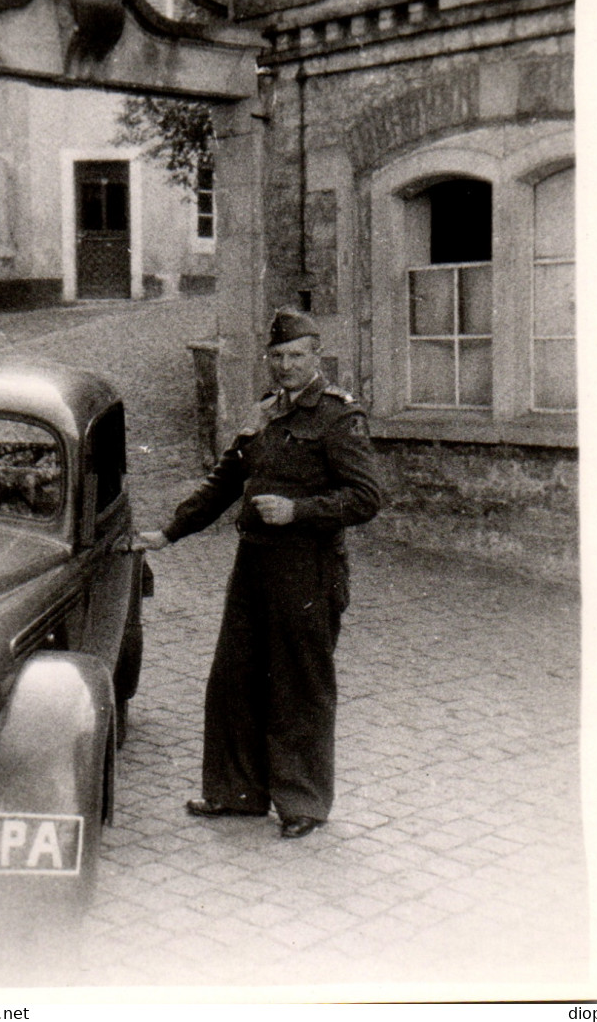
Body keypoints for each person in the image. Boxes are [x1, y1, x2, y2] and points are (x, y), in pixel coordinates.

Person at [138, 307, 381, 838]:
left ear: (317, 356)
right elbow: (225, 480)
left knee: (299, 684)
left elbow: (366, 498)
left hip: (308, 571)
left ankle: (302, 803)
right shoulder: (265, 413)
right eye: (277, 357)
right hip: (253, 566)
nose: (285, 366)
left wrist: (301, 511)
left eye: (296, 356)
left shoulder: (339, 417)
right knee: (235, 677)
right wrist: (169, 532)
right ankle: (237, 793)